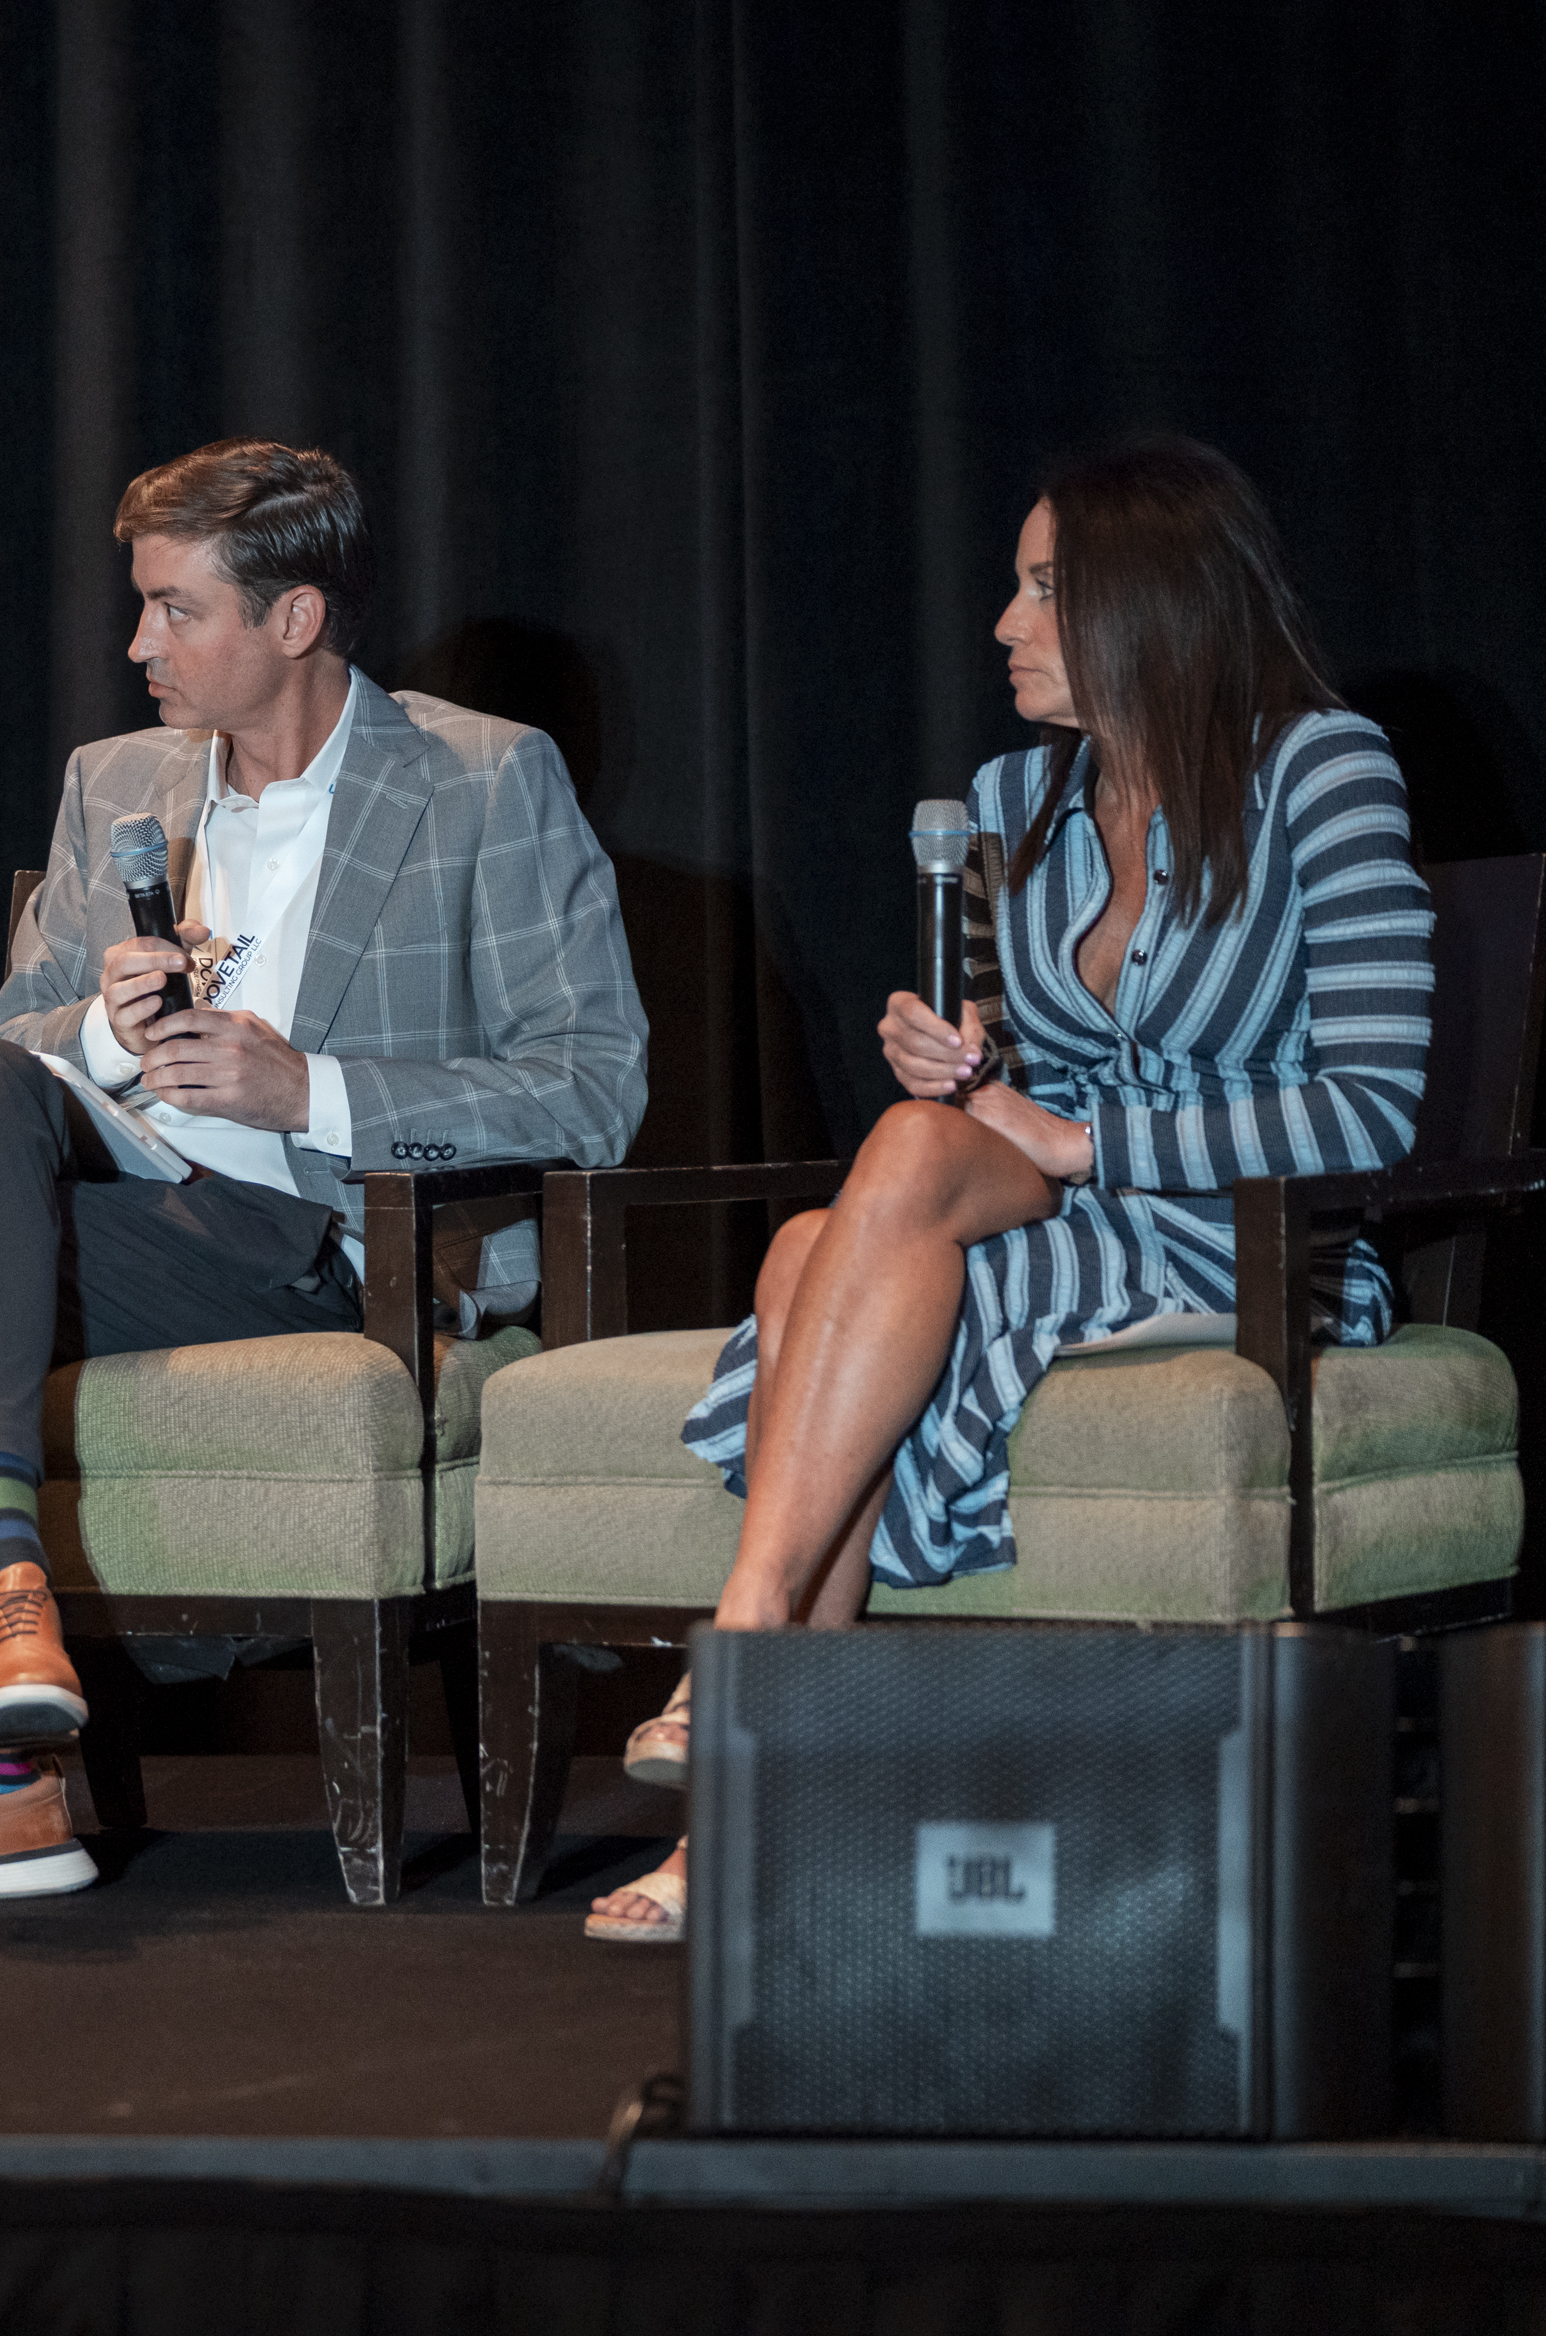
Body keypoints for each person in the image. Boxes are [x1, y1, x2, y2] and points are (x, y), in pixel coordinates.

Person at [0, 438, 650, 1908]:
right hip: (130, 1216)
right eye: (141, 607)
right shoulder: (118, 783)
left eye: (175, 612)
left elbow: (594, 1088)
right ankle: (10, 1612)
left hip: (342, 1246)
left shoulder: (481, 778)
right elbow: (9, 1040)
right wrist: (100, 1025)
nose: (136, 644)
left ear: (293, 620)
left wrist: (313, 1090)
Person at [587, 437, 1434, 1945]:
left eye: (1045, 589)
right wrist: (968, 1073)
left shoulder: (1324, 768)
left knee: (811, 1263)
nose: (1004, 623)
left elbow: (1369, 1115)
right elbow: (1012, 1094)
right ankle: (752, 1736)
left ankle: (740, 1689)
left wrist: (1077, 1146)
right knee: (849, 1210)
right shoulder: (1013, 797)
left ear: (1148, 601)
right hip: (1052, 1216)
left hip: (1243, 1235)